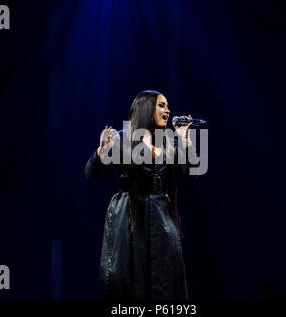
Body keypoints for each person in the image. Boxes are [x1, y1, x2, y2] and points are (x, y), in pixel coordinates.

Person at [84, 90, 200, 300]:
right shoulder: (123, 138)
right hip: (129, 218)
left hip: (162, 217)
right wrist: (101, 155)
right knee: (129, 280)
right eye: (162, 105)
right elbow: (91, 174)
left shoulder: (170, 142)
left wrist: (185, 140)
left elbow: (191, 170)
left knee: (163, 278)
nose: (168, 110)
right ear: (147, 108)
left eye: (167, 106)